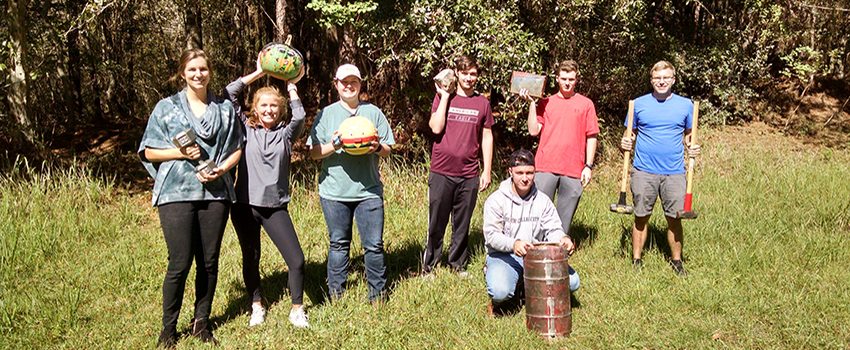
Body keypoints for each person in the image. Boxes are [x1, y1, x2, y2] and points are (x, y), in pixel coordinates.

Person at [138, 48, 242, 348]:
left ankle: (201, 324)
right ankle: (168, 329)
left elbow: (237, 147)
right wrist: (179, 153)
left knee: (209, 262)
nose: (198, 74)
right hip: (176, 193)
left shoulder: (223, 109)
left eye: (203, 69)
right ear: (182, 73)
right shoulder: (166, 108)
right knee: (179, 262)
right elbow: (148, 151)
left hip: (216, 194)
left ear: (210, 72)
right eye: (192, 69)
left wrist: (221, 169)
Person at [224, 55, 309, 328]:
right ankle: (256, 305)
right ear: (256, 109)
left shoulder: (286, 134)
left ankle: (297, 309)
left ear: (280, 109)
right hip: (244, 206)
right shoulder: (245, 130)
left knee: (296, 260)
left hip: (274, 208)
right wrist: (260, 72)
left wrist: (291, 85)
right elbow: (230, 93)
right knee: (251, 258)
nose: (269, 110)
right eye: (264, 105)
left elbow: (301, 115)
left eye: (274, 106)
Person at [307, 63, 395, 304]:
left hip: (368, 191)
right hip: (334, 192)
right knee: (338, 244)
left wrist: (376, 146)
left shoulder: (373, 113)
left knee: (374, 245)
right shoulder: (325, 114)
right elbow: (314, 153)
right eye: (344, 82)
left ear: (360, 84)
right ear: (336, 85)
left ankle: (378, 297)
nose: (349, 86)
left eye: (353, 81)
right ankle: (337, 297)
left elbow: (387, 150)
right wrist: (333, 146)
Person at [620, 60, 701, 275]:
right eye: (657, 78)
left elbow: (689, 134)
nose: (662, 81)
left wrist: (692, 145)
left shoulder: (686, 105)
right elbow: (631, 133)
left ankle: (676, 261)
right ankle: (637, 259)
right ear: (651, 80)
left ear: (673, 80)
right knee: (641, 216)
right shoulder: (638, 104)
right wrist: (626, 141)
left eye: (666, 77)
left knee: (674, 217)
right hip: (643, 169)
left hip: (674, 171)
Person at [482, 149, 578, 315]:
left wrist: (563, 239)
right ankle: (498, 290)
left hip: (536, 256)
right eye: (519, 173)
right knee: (500, 291)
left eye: (529, 173)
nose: (525, 178)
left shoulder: (543, 201)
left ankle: (529, 290)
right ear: (510, 172)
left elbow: (553, 228)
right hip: (504, 255)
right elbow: (491, 236)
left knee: (573, 282)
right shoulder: (496, 200)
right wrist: (513, 244)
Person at [423, 55, 494, 275]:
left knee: (462, 224)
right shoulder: (443, 98)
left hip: (469, 173)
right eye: (464, 73)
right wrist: (444, 97)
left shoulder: (482, 103)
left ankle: (457, 265)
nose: (469, 78)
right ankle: (430, 267)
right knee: (437, 223)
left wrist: (487, 170)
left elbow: (487, 136)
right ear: (457, 74)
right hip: (441, 172)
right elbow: (435, 127)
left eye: (473, 74)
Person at [519, 60, 599, 236]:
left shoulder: (586, 104)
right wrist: (532, 104)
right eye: (563, 78)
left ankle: (557, 253)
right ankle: (535, 253)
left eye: (571, 79)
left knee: (564, 220)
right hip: (545, 166)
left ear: (577, 79)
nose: (567, 83)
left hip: (573, 169)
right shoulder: (546, 102)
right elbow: (533, 131)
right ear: (557, 79)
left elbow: (591, 136)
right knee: (538, 215)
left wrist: (588, 166)